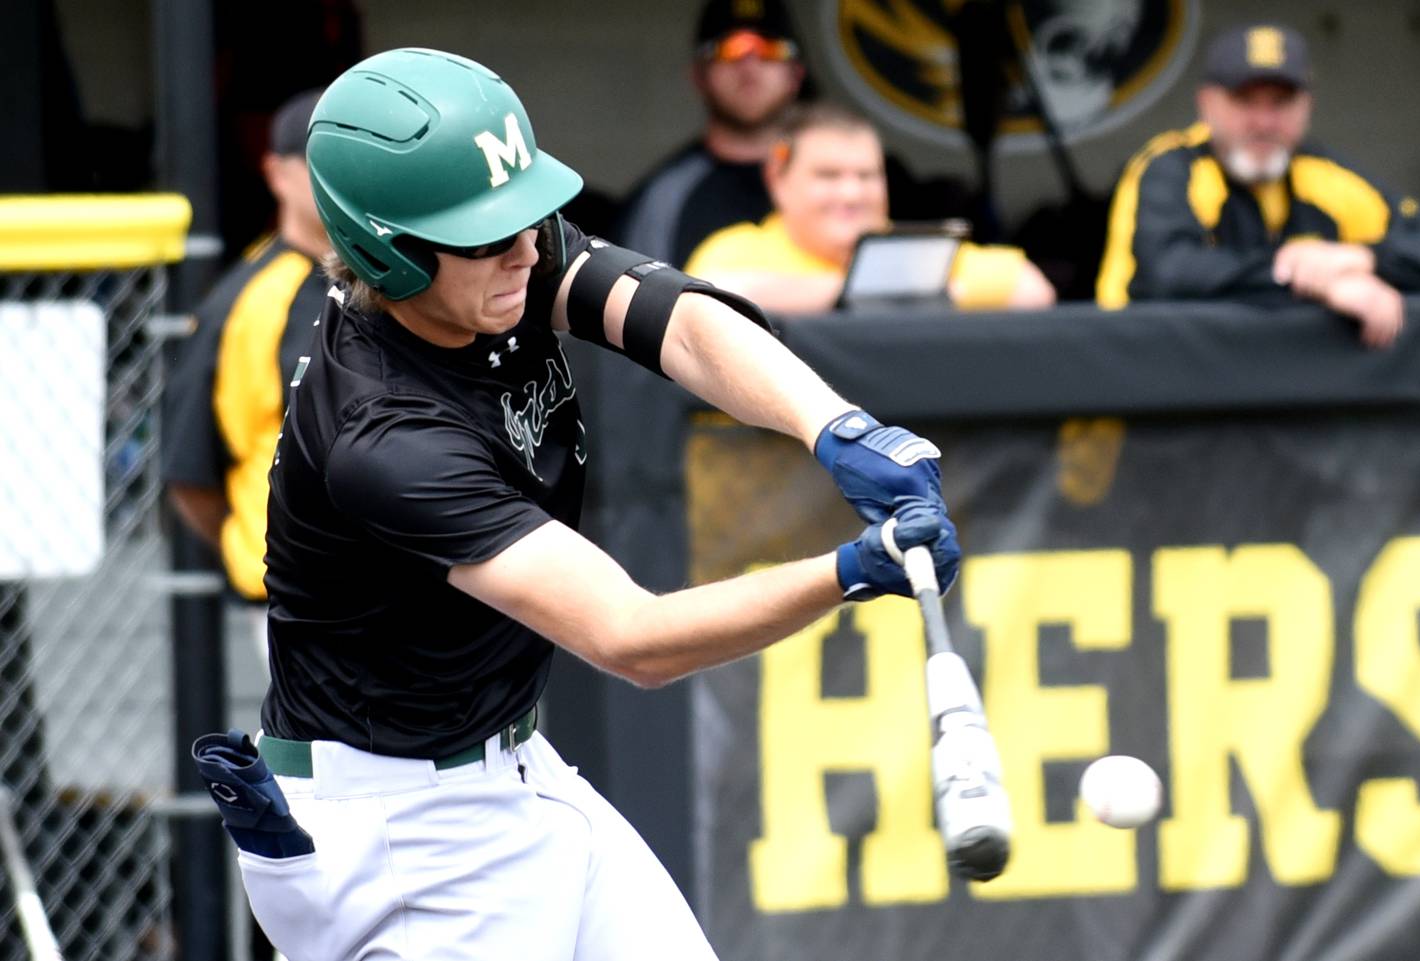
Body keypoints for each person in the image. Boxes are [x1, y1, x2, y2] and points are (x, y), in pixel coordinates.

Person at [221, 48, 962, 961]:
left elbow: (680, 324)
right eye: (489, 234)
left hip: (511, 765)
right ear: (392, 250)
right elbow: (632, 638)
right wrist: (847, 570)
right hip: (402, 835)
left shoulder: (487, 266)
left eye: (526, 218)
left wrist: (837, 427)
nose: (528, 250)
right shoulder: (387, 437)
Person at [1096, 22, 1420, 348]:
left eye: (1280, 102)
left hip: (1269, 378)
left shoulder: (1322, 173)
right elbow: (1170, 272)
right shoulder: (1170, 166)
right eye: (1244, 101)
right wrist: (1307, 277)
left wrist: (1364, 258)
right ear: (1206, 103)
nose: (1263, 123)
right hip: (1145, 375)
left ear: (1307, 106)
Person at [163, 88, 332, 662]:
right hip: (304, 604)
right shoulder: (248, 301)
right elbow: (191, 474)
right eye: (319, 162)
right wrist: (261, 551)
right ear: (276, 174)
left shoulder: (404, 282)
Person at [684, 101, 1056, 313]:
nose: (852, 193)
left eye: (867, 176)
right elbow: (709, 298)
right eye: (828, 176)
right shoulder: (739, 248)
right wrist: (880, 292)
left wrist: (913, 291)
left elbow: (1033, 289)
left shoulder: (913, 252)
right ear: (777, 181)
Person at [612, 0, 806, 268]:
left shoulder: (841, 185)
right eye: (728, 50)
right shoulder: (663, 199)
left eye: (769, 49)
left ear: (796, 74)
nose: (749, 67)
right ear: (698, 76)